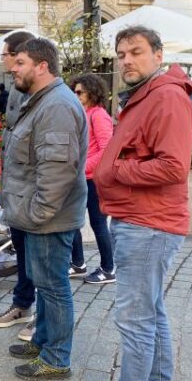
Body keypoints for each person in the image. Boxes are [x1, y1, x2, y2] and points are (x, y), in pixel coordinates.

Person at [72, 26, 192, 381]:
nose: (126, 60)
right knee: (152, 311)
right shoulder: (147, 94)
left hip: (149, 224)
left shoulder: (167, 96)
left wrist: (114, 171)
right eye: (121, 53)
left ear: (158, 54)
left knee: (135, 318)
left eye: (136, 52)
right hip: (140, 220)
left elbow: (174, 166)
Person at [0, 37, 87, 381]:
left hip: (49, 218)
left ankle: (56, 358)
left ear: (42, 67)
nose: (13, 69)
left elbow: (57, 171)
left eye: (19, 62)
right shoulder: (42, 101)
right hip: (38, 216)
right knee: (44, 285)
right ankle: (43, 340)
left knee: (53, 287)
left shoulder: (56, 106)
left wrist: (37, 214)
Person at [0, 31, 37, 340]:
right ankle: (23, 304)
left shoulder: (38, 92)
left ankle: (39, 316)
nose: (5, 62)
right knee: (22, 252)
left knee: (38, 260)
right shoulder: (17, 89)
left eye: (7, 56)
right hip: (16, 186)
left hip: (32, 191)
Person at [68, 74, 115, 285]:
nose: (75, 96)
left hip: (94, 180)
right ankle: (78, 263)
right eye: (74, 91)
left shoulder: (99, 115)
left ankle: (108, 269)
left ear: (92, 92)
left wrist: (80, 168)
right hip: (80, 178)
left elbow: (106, 151)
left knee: (98, 224)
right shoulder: (82, 114)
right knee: (72, 222)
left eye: (80, 92)